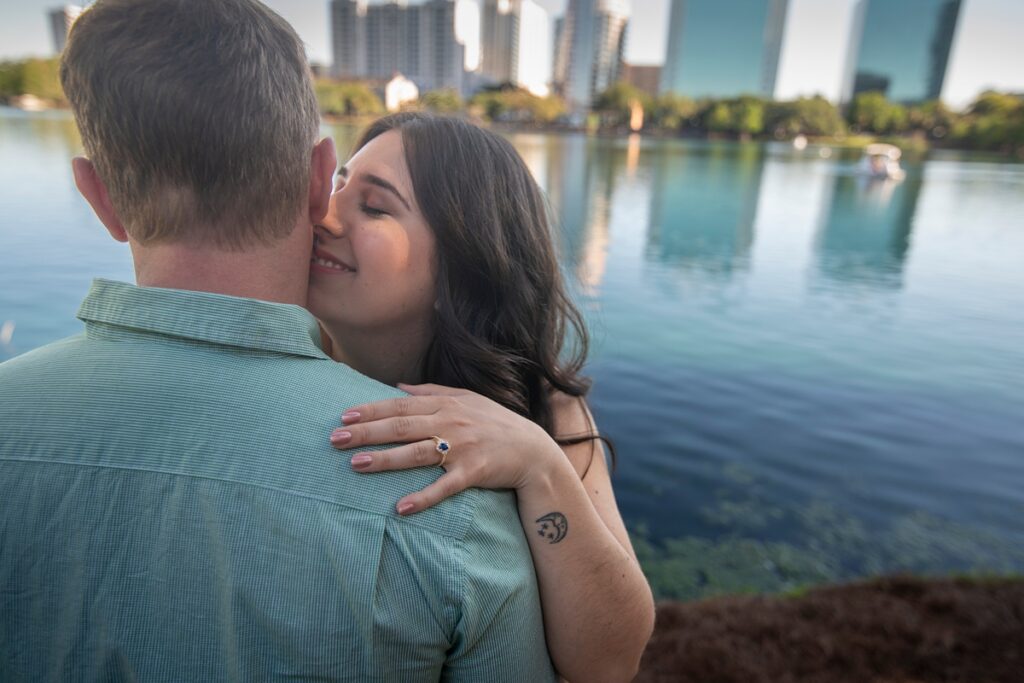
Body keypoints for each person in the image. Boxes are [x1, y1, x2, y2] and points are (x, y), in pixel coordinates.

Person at [0, 1, 557, 681]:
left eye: (376, 203)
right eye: (349, 187)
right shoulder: (451, 498)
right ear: (322, 175)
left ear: (98, 196)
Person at [308, 113, 656, 682]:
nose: (323, 214)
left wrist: (539, 464)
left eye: (373, 207)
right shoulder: (281, 361)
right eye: (339, 185)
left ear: (461, 270)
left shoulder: (544, 406)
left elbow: (610, 661)